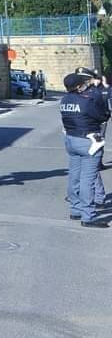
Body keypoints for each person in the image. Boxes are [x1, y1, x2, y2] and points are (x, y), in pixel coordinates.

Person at [61, 71, 110, 227]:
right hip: (87, 141)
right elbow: (102, 116)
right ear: (78, 86)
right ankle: (88, 215)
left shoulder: (64, 100)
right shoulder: (86, 100)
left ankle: (75, 209)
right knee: (88, 179)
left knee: (74, 176)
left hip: (71, 140)